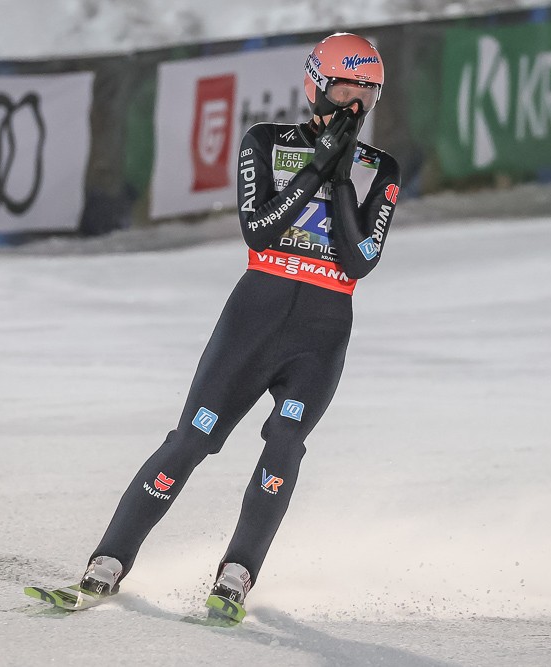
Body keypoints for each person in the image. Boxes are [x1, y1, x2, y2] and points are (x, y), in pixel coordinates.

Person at [79, 32, 401, 623]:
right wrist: (315, 169)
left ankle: (237, 572)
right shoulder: (267, 142)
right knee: (192, 438)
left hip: (322, 331)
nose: (354, 104)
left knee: (286, 442)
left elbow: (360, 260)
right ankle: (110, 558)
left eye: (367, 93)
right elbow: (260, 230)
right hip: (255, 316)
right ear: (315, 86)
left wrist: (338, 180)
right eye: (343, 89)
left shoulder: (380, 169)